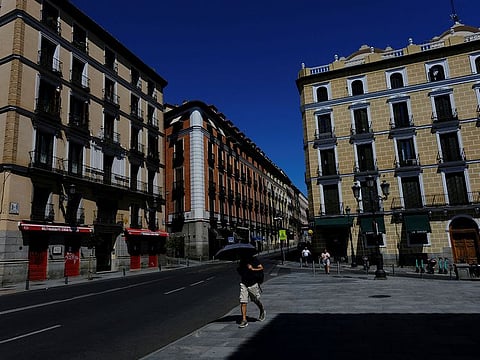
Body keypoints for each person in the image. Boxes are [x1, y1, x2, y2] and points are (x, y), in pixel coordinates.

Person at [237, 254, 266, 328]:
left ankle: (262, 309)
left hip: (253, 283)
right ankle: (244, 320)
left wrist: (252, 268)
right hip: (244, 283)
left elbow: (261, 268)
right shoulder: (242, 261)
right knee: (243, 301)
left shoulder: (254, 259)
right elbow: (241, 271)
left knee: (255, 300)